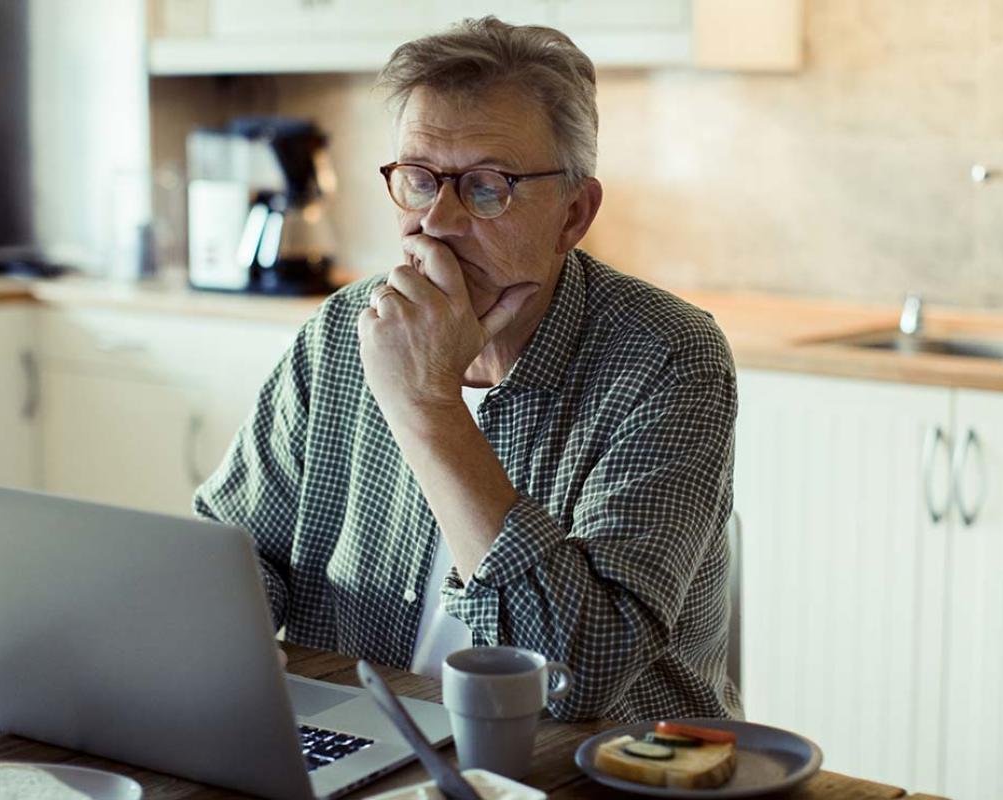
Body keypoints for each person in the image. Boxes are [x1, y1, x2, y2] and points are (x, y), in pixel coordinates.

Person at [194, 16, 740, 723]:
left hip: (591, 772)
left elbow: (576, 677)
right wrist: (210, 633)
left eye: (487, 186)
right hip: (370, 743)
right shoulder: (340, 333)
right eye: (420, 180)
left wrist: (427, 405)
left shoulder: (666, 357)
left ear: (573, 214)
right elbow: (238, 553)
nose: (438, 221)